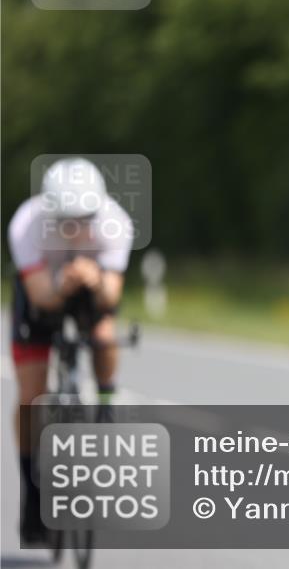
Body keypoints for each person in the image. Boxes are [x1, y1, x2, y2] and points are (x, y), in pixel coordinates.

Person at [8, 157, 134, 545]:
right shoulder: (26, 225)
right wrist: (62, 285)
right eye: (66, 220)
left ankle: (107, 399)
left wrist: (94, 281)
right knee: (30, 397)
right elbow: (42, 296)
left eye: (85, 219)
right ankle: (32, 491)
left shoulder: (116, 223)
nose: (76, 228)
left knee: (104, 332)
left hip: (89, 286)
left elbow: (111, 294)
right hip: (45, 288)